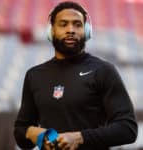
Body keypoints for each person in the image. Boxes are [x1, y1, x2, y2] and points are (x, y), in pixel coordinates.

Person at [14, 1, 138, 150]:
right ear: (51, 31)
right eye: (63, 24)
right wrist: (32, 132)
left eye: (77, 24)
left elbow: (128, 128)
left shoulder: (103, 70)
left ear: (86, 32)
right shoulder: (34, 75)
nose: (71, 29)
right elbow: (21, 133)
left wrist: (79, 138)